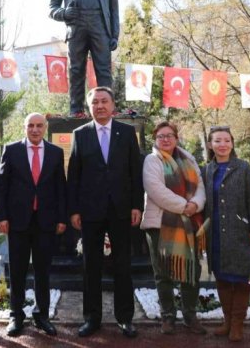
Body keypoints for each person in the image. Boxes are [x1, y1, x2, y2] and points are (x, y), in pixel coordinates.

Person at [67, 87, 143, 338]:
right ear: (89, 107)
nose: (99, 106)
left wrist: (137, 205)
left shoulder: (127, 133)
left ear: (113, 106)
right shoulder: (80, 134)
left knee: (122, 265)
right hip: (90, 211)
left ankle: (125, 318)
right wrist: (74, 210)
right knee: (91, 266)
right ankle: (92, 318)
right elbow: (74, 176)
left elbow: (135, 172)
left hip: (121, 209)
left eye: (104, 101)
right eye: (95, 102)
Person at [0, 113, 67, 337]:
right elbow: (1, 186)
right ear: (24, 127)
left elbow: (61, 188)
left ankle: (41, 316)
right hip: (18, 221)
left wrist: (61, 218)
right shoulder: (11, 150)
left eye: (39, 126)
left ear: (45, 127)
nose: (35, 130)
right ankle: (16, 316)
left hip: (46, 221)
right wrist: (2, 216)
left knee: (43, 271)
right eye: (30, 126)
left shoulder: (55, 152)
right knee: (17, 270)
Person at [141, 121, 207, 335]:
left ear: (176, 138)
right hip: (160, 224)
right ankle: (168, 316)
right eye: (160, 136)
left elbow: (200, 187)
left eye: (169, 135)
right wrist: (185, 206)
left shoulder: (188, 159)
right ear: (155, 139)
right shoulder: (152, 160)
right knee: (163, 274)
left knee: (191, 271)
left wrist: (195, 204)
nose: (165, 139)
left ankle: (190, 315)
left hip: (190, 224)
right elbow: (156, 190)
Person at [202, 126, 250, 342]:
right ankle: (227, 321)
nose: (223, 144)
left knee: (240, 278)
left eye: (227, 140)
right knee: (222, 277)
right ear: (210, 145)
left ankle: (237, 324)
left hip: (239, 232)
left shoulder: (243, 168)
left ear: (232, 143)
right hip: (215, 234)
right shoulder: (207, 170)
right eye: (218, 141)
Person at [49, 0, 119, 116]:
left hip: (100, 26)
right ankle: (76, 110)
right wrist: (64, 13)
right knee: (76, 70)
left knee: (104, 70)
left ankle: (108, 109)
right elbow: (52, 7)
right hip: (76, 26)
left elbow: (114, 10)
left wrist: (114, 35)